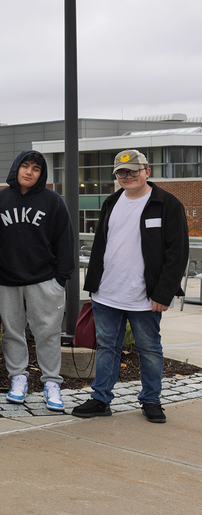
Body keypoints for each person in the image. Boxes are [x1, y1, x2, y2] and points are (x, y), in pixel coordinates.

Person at [73, 150, 189, 424]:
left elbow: (177, 254)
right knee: (106, 349)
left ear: (147, 171)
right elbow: (102, 245)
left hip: (145, 298)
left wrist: (164, 293)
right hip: (107, 294)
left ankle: (151, 400)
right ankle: (100, 399)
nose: (128, 176)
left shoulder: (167, 204)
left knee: (149, 350)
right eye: (121, 173)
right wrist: (94, 286)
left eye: (133, 170)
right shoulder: (111, 202)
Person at [0, 150, 75, 412]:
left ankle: (51, 383)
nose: (29, 172)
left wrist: (61, 280)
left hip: (44, 280)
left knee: (48, 333)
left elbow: (65, 242)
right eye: (25, 166)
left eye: (36, 168)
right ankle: (18, 378)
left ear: (41, 173)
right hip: (4, 280)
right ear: (16, 168)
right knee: (12, 332)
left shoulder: (53, 201)